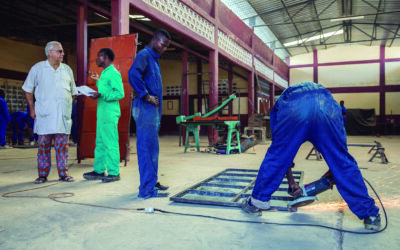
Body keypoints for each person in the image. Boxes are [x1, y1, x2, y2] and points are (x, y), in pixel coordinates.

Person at [241, 81, 381, 230]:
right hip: (326, 103)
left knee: (277, 155)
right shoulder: (331, 103)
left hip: (295, 106)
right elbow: (339, 153)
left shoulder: (281, 102)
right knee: (341, 161)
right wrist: (334, 169)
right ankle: (370, 215)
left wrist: (291, 182)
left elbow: (281, 155)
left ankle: (258, 202)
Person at [22, 41, 77, 184]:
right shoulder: (38, 69)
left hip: (62, 117)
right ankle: (42, 175)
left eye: (62, 51)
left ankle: (63, 174)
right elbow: (28, 89)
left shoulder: (67, 70)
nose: (62, 54)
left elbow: (73, 92)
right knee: (43, 147)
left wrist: (66, 105)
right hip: (45, 117)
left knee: (62, 147)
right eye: (59, 51)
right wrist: (32, 108)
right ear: (50, 53)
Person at [128, 29, 171, 198]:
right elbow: (133, 74)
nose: (164, 48)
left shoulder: (154, 59)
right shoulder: (144, 55)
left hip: (153, 112)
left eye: (167, 46)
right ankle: (146, 190)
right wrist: (145, 95)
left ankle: (151, 182)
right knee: (146, 148)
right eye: (162, 44)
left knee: (153, 149)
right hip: (146, 109)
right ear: (154, 40)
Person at [83, 48, 124, 183]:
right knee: (100, 142)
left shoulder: (113, 73)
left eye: (99, 57)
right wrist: (98, 81)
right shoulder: (105, 73)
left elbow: (119, 93)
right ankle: (99, 170)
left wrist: (101, 95)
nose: (97, 59)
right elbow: (105, 90)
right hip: (102, 113)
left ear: (105, 57)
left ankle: (114, 172)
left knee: (110, 142)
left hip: (109, 113)